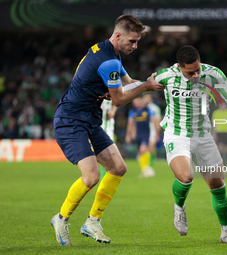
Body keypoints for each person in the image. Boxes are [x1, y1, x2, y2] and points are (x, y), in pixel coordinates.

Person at [51, 15, 163, 246]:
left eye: (138, 41)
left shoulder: (107, 52)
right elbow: (119, 100)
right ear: (118, 35)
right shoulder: (109, 61)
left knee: (118, 168)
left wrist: (150, 83)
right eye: (132, 41)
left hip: (89, 120)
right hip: (71, 121)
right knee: (91, 176)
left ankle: (92, 221)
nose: (135, 46)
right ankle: (61, 218)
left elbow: (128, 81)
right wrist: (145, 87)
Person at [124, 45, 227, 244]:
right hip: (176, 134)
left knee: (218, 184)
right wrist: (113, 94)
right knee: (186, 176)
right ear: (180, 67)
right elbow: (141, 86)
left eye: (198, 68)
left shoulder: (213, 74)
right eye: (191, 72)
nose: (196, 74)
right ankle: (179, 208)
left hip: (203, 135)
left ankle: (226, 233)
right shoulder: (166, 76)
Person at [125, 97, 158, 177]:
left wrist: (156, 133)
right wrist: (128, 135)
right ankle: (145, 170)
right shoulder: (132, 111)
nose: (137, 103)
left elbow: (153, 121)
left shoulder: (147, 110)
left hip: (146, 133)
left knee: (143, 149)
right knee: (140, 152)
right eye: (135, 102)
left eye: (138, 101)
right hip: (138, 134)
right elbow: (130, 123)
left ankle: (147, 169)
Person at [143, 93, 162, 170]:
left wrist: (157, 133)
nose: (146, 99)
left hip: (152, 130)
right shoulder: (141, 107)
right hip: (143, 130)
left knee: (150, 148)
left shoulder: (155, 108)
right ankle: (145, 167)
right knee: (143, 149)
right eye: (145, 97)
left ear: (151, 99)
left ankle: (149, 167)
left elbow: (158, 121)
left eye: (147, 97)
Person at [99, 101, 117, 181]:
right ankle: (88, 177)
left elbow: (116, 102)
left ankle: (104, 178)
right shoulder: (94, 91)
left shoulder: (111, 90)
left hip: (108, 126)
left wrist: (113, 111)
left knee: (107, 153)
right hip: (96, 125)